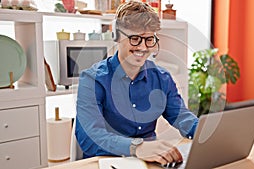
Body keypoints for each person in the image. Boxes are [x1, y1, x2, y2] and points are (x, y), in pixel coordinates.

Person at [75, 0, 198, 165]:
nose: (142, 47)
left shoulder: (162, 78)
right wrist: (137, 148)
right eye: (135, 38)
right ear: (117, 36)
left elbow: (182, 117)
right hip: (107, 162)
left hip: (149, 162)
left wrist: (209, 133)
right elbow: (90, 138)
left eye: (149, 39)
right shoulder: (92, 80)